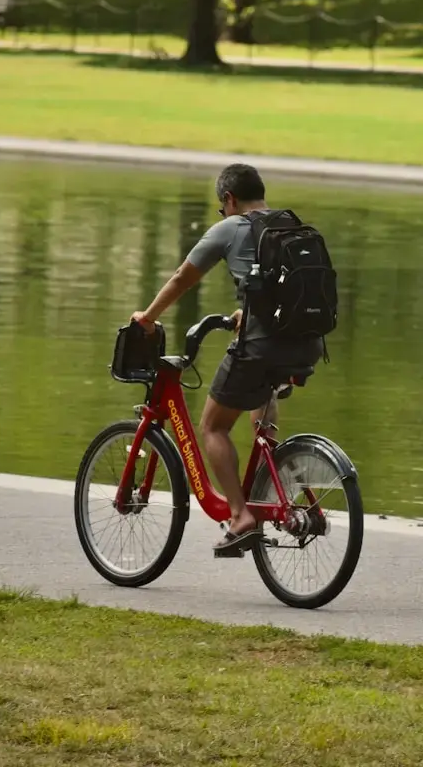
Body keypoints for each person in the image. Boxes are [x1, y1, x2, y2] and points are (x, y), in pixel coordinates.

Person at [131, 164, 324, 555]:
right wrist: (247, 314)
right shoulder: (290, 225)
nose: (223, 212)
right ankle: (277, 489)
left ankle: (240, 517)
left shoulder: (230, 228)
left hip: (262, 347)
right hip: (307, 344)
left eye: (223, 207)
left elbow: (182, 278)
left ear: (229, 199)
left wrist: (147, 318)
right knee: (262, 414)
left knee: (213, 426)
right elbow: (281, 293)